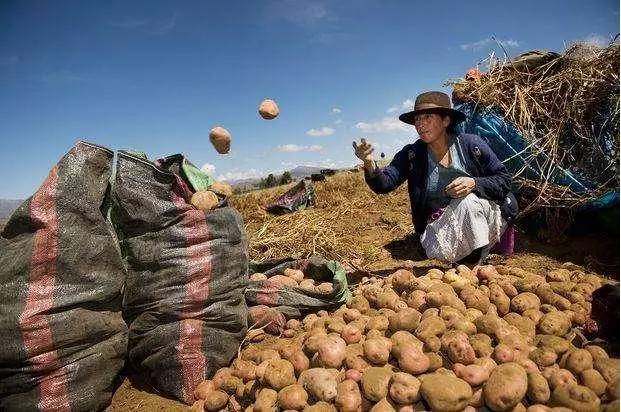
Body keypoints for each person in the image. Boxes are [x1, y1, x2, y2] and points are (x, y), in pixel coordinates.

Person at [352, 91, 518, 264]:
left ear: (446, 121)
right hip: (438, 227)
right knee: (465, 208)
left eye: (428, 117)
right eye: (417, 119)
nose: (420, 125)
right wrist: (369, 163)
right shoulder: (412, 154)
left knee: (468, 202)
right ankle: (473, 256)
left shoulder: (471, 144)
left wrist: (474, 183)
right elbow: (384, 183)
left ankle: (476, 256)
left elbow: (503, 179)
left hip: (476, 213)